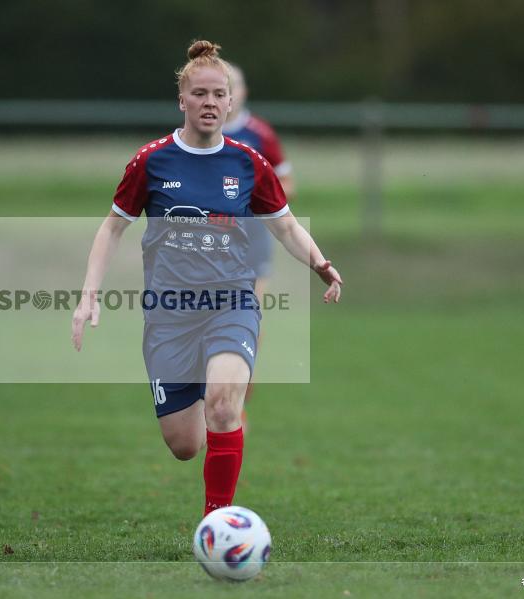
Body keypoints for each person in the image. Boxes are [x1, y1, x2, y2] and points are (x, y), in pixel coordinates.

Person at [72, 40, 342, 517]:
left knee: (223, 405)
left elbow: (285, 225)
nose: (210, 102)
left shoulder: (247, 162)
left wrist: (320, 264)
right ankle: (201, 394)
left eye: (219, 94)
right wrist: (88, 295)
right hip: (169, 314)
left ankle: (216, 525)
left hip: (231, 302)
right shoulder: (152, 161)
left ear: (231, 101)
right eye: (199, 94)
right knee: (184, 445)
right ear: (183, 100)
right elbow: (112, 227)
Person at [222, 63, 296, 413]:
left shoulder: (260, 134)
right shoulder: (194, 135)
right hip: (207, 241)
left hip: (252, 237)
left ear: (242, 93)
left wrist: (253, 201)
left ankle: (240, 382)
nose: (224, 96)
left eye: (230, 87)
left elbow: (287, 186)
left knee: (250, 310)